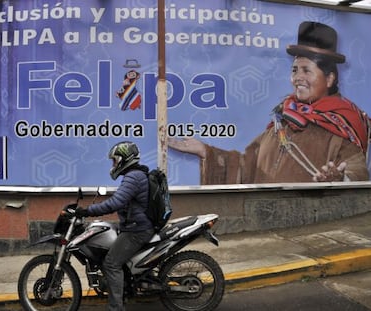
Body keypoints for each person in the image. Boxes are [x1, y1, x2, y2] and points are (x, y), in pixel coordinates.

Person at [169, 21, 370, 185]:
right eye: (294, 70)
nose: (297, 78)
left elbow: (357, 170)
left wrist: (340, 179)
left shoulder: (344, 124)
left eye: (306, 71)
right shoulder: (281, 123)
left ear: (329, 79)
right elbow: (246, 166)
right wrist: (207, 152)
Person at [75, 141, 154, 311]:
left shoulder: (133, 177)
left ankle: (116, 308)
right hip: (134, 225)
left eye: (115, 160)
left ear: (124, 159)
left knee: (111, 263)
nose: (113, 164)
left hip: (137, 230)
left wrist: (87, 211)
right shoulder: (135, 175)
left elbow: (115, 203)